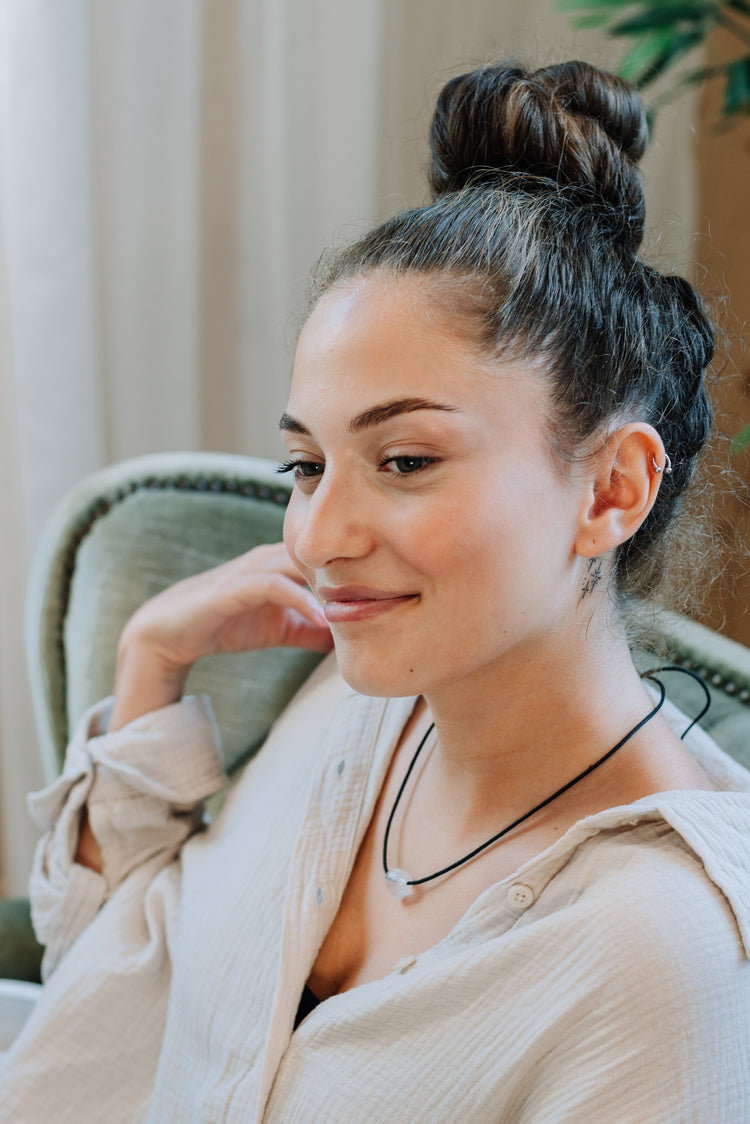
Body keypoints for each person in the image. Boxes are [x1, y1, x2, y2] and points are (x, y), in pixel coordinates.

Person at [2, 59, 749, 1122]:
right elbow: (104, 1014)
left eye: (405, 461)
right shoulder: (354, 702)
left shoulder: (651, 954)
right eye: (307, 465)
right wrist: (149, 669)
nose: (318, 538)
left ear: (611, 489)